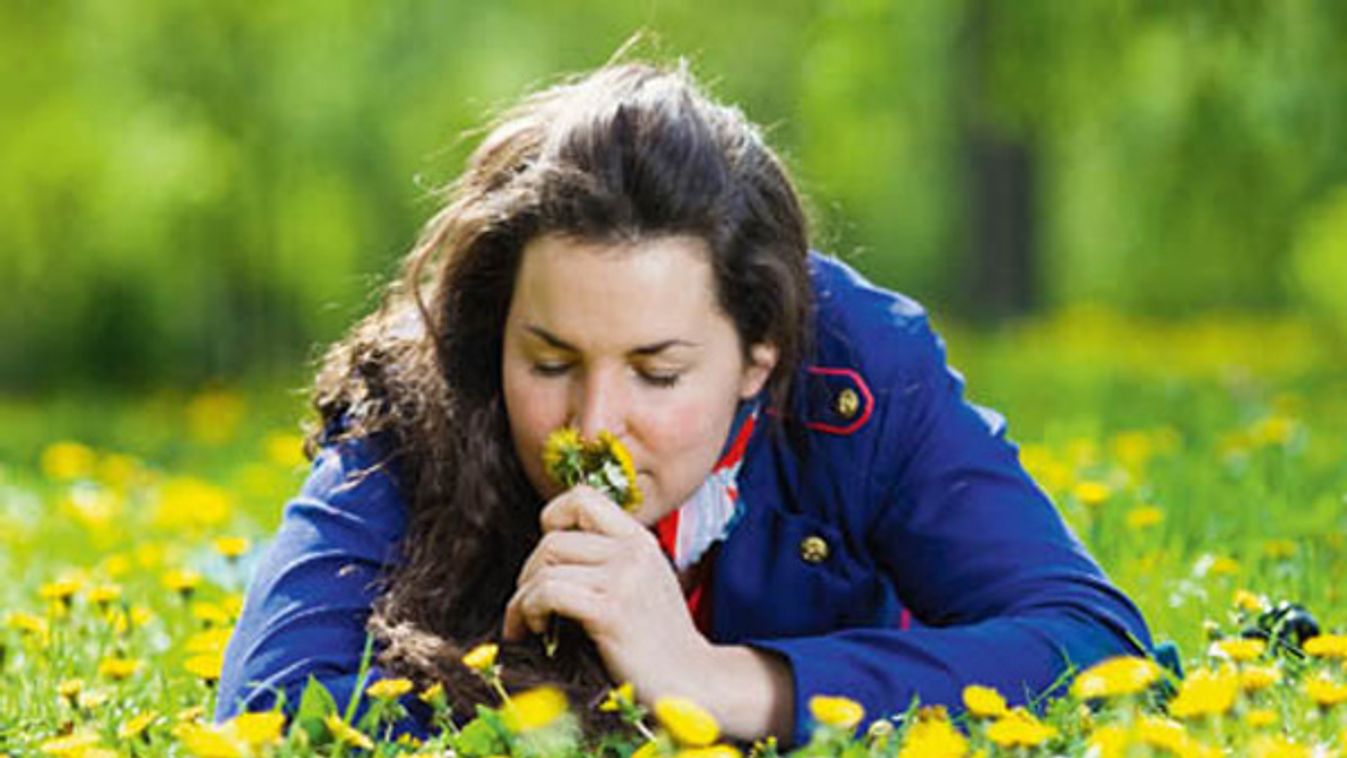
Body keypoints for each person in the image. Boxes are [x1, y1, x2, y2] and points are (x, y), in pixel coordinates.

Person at [216, 59, 1154, 747]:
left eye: (656, 373)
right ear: (495, 329)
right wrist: (535, 703)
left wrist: (722, 684)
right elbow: (264, 719)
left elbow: (1097, 650)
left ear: (759, 353)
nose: (591, 426)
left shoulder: (863, 371)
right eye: (548, 362)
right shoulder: (424, 389)